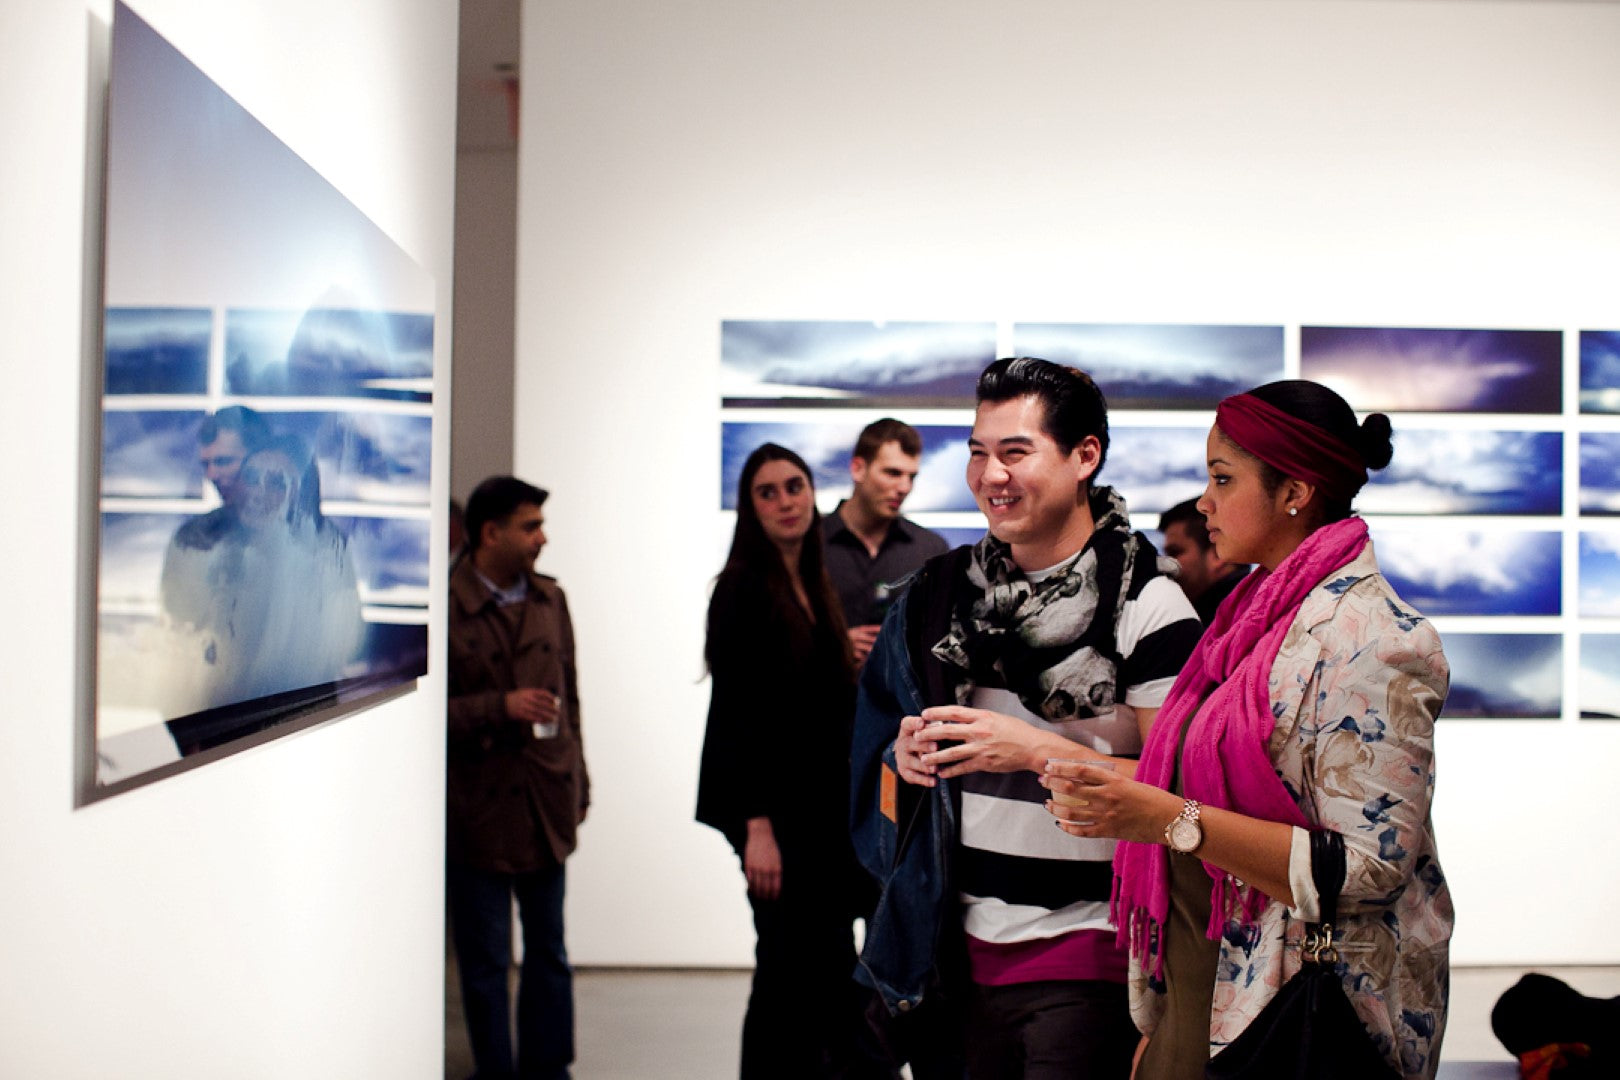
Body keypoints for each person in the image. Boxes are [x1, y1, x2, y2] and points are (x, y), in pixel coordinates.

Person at [1044, 380, 1452, 1078]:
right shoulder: (1249, 621)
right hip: (1204, 994)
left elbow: (1370, 869)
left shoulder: (1378, 639)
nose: (1205, 501)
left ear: (1294, 491)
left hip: (1294, 1015)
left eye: (1222, 478)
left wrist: (1172, 821)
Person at [851, 358, 1202, 1079]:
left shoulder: (1148, 604)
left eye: (1016, 452)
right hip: (953, 948)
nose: (990, 475)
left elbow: (1185, 798)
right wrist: (905, 754)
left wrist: (1037, 750)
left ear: (1084, 457)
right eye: (979, 452)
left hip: (1092, 950)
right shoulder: (941, 592)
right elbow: (879, 737)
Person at [696, 443, 873, 1078]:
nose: (784, 501)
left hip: (820, 815)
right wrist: (757, 828)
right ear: (750, 508)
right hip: (780, 822)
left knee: (819, 972)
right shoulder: (743, 589)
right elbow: (739, 716)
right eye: (766, 492)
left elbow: (806, 697)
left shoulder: (810, 581)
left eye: (793, 486)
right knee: (785, 973)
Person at [447, 476, 590, 1080]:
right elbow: (422, 712)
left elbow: (571, 700)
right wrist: (497, 707)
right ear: (490, 533)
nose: (542, 538)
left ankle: (548, 1066)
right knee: (483, 962)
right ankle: (495, 1071)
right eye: (530, 527)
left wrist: (579, 779)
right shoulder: (443, 603)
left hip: (543, 798)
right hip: (476, 804)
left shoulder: (550, 599)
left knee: (549, 951)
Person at [823, 418, 949, 667]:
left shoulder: (931, 550)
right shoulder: (808, 545)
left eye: (911, 476)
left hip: (901, 704)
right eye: (892, 473)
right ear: (858, 469)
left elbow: (946, 639)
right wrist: (831, 646)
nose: (904, 487)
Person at [1156, 498, 1248, 626]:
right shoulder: (1254, 605)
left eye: (1175, 552)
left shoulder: (1222, 624)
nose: (1166, 565)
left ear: (1218, 553)